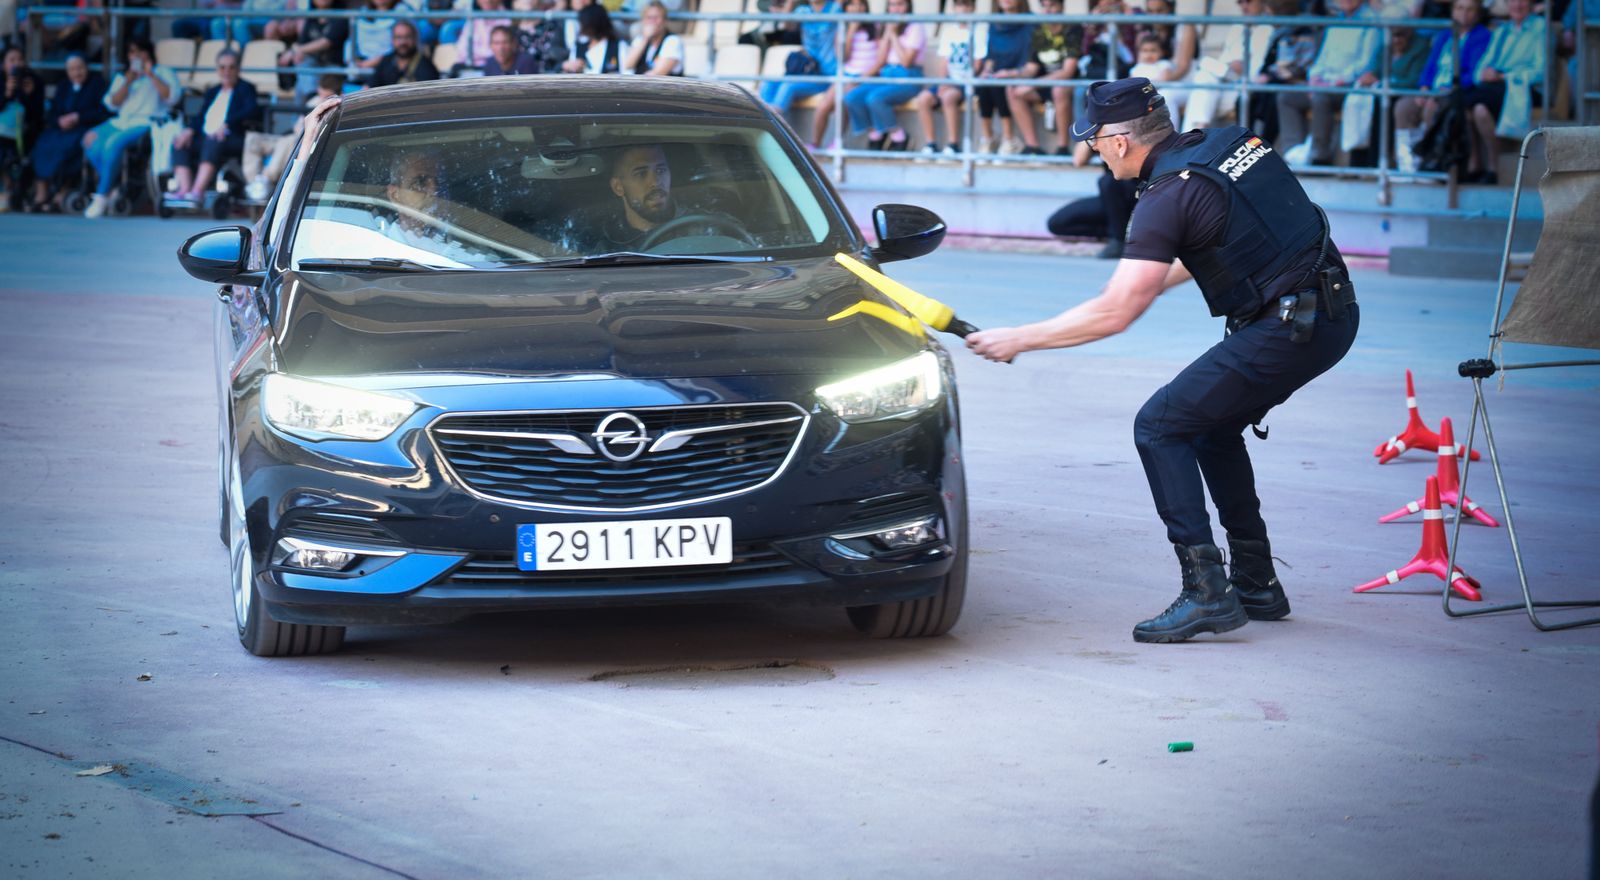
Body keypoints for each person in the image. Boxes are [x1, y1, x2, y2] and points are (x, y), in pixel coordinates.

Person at [966, 78, 1359, 644]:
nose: (1093, 152)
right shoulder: (1229, 144)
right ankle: (1257, 584)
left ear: (1120, 141)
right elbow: (1225, 241)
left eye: (1094, 140)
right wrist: (1144, 285)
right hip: (1329, 312)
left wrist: (1019, 339)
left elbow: (1116, 311)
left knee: (1159, 425)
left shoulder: (1165, 196)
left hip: (1290, 326)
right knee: (1209, 427)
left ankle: (1207, 593)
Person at [81, 37, 182, 219]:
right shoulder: (124, 76)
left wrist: (151, 75)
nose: (134, 56)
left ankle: (101, 195)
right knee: (89, 139)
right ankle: (113, 186)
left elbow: (171, 97)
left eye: (138, 51)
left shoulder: (162, 72)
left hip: (147, 122)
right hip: (121, 121)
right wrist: (128, 82)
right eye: (131, 52)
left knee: (113, 144)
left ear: (147, 52)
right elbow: (112, 103)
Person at [1276, 0, 1383, 166]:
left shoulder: (1372, 21)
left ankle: (1320, 157)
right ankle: (1293, 153)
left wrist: (1336, 81)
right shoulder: (1335, 21)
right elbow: (1322, 58)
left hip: (1350, 85)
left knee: (1320, 98)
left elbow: (1366, 64)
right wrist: (1314, 78)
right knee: (1286, 97)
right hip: (1324, 82)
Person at [1462, 0, 1545, 183]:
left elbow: (1541, 72)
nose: (1517, 4)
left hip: (1522, 85)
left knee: (1463, 101)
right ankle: (1479, 163)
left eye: (1522, 0)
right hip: (1494, 87)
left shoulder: (1540, 27)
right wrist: (1483, 74)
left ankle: (1489, 165)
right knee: (1477, 108)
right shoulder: (1501, 30)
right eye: (1512, 0)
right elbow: (1481, 67)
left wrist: (1504, 76)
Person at [168, 50, 259, 203]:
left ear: (238, 69)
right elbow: (201, 116)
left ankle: (197, 191)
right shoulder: (212, 91)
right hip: (206, 136)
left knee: (213, 141)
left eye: (231, 67)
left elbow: (251, 110)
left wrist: (227, 123)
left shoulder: (246, 88)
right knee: (180, 143)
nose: (227, 71)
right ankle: (184, 190)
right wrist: (189, 131)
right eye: (222, 67)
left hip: (231, 137)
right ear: (217, 69)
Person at [26, 53, 107, 212]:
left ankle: (62, 192)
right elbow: (53, 112)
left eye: (80, 68)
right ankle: (41, 193)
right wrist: (60, 121)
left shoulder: (97, 84)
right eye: (72, 69)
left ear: (86, 68)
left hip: (84, 127)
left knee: (68, 150)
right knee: (43, 144)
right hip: (61, 129)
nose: (76, 73)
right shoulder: (63, 86)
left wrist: (78, 117)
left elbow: (102, 112)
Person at [242, 76, 341, 200]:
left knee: (287, 141)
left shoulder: (336, 103)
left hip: (304, 141)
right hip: (291, 136)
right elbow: (298, 125)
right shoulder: (312, 100)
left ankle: (266, 179)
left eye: (325, 94)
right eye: (320, 92)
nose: (321, 95)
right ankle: (255, 184)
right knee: (253, 139)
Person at [1182, 0, 1273, 130]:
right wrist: (1230, 67)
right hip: (1224, 84)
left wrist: (1232, 67)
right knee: (1204, 80)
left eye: (1248, 1)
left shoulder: (1267, 29)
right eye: (1240, 2)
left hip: (1246, 89)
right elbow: (1227, 63)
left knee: (1203, 80)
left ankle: (1193, 137)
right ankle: (1197, 132)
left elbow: (1252, 70)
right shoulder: (1238, 27)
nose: (1244, 6)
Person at [1007, 0, 1081, 156]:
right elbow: (1031, 68)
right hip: (1044, 82)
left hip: (1068, 83)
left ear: (1061, 6)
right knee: (1012, 89)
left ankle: (1063, 147)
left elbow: (1067, 72)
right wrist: (1011, 74)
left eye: (1052, 5)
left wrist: (1033, 84)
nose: (1048, 10)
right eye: (1044, 6)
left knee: (1059, 90)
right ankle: (1033, 146)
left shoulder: (1072, 28)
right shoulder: (1039, 30)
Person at [914, 0, 982, 156]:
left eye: (967, 5)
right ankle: (931, 144)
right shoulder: (949, 31)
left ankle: (953, 144)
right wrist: (944, 81)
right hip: (950, 79)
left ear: (973, 8)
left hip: (967, 81)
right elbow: (944, 62)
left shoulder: (979, 30)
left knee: (948, 97)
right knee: (924, 98)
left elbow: (978, 64)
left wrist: (960, 82)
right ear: (954, 8)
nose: (963, 9)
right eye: (959, 5)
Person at [974, 0, 1034, 155]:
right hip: (998, 72)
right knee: (984, 82)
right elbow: (990, 56)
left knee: (1000, 83)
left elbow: (1031, 62)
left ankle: (1009, 139)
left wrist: (1011, 73)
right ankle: (988, 138)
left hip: (1020, 73)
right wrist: (986, 71)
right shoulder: (995, 23)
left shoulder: (1031, 21)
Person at [760, 0, 840, 114]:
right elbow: (787, 25)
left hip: (827, 75)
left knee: (788, 86)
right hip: (806, 72)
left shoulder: (834, 8)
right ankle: (764, 119)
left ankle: (773, 123)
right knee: (768, 82)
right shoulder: (803, 10)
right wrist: (790, 2)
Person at [1046, 165, 1138, 257]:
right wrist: (1089, 149)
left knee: (1108, 181)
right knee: (1057, 223)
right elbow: (1078, 161)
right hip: (1111, 198)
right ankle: (1122, 232)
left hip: (1140, 194)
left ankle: (1118, 239)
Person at [278, 0, 350, 104]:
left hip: (334, 65)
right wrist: (297, 51)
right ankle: (310, 102)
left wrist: (295, 50)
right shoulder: (312, 16)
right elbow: (302, 42)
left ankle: (308, 106)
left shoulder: (341, 15)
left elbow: (326, 42)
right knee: (303, 65)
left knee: (302, 86)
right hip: (314, 64)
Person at [1, 45, 44, 212]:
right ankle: (6, 189)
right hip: (2, 132)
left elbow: (37, 115)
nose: (16, 64)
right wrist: (7, 93)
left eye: (20, 59)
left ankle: (17, 194)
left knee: (29, 153)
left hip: (25, 133)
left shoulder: (34, 81)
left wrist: (29, 95)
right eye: (12, 60)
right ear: (3, 64)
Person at [370, 20, 442, 87]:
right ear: (392, 40)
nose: (403, 42)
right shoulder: (386, 61)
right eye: (398, 37)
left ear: (415, 39)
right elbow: (370, 88)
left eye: (407, 37)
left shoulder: (426, 66)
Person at [622, 1, 684, 76]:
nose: (652, 22)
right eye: (649, 18)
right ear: (643, 21)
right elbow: (627, 65)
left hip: (664, 87)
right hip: (641, 85)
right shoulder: (640, 40)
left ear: (665, 21)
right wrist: (645, 39)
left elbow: (658, 73)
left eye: (656, 18)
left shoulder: (673, 41)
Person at [561, 3, 627, 72]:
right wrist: (568, 66)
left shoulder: (619, 46)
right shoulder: (578, 47)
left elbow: (627, 74)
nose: (581, 27)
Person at [513, 0, 571, 72]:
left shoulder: (552, 26)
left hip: (552, 77)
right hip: (523, 79)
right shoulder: (512, 33)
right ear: (515, 3)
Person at [455, 0, 514, 67]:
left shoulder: (510, 18)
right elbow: (462, 50)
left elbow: (503, 53)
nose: (487, 1)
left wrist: (475, 54)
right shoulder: (474, 18)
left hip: (497, 71)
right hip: (472, 69)